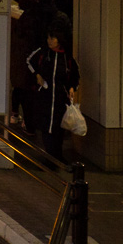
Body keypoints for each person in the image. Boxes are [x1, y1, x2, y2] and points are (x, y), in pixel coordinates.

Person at [25, 16, 81, 160]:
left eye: (53, 38)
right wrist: (36, 75)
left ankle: (56, 156)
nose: (50, 41)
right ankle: (51, 156)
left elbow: (75, 76)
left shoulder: (67, 58)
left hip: (60, 98)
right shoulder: (43, 52)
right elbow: (29, 62)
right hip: (44, 96)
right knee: (46, 127)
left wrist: (71, 88)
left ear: (60, 39)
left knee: (58, 127)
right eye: (49, 38)